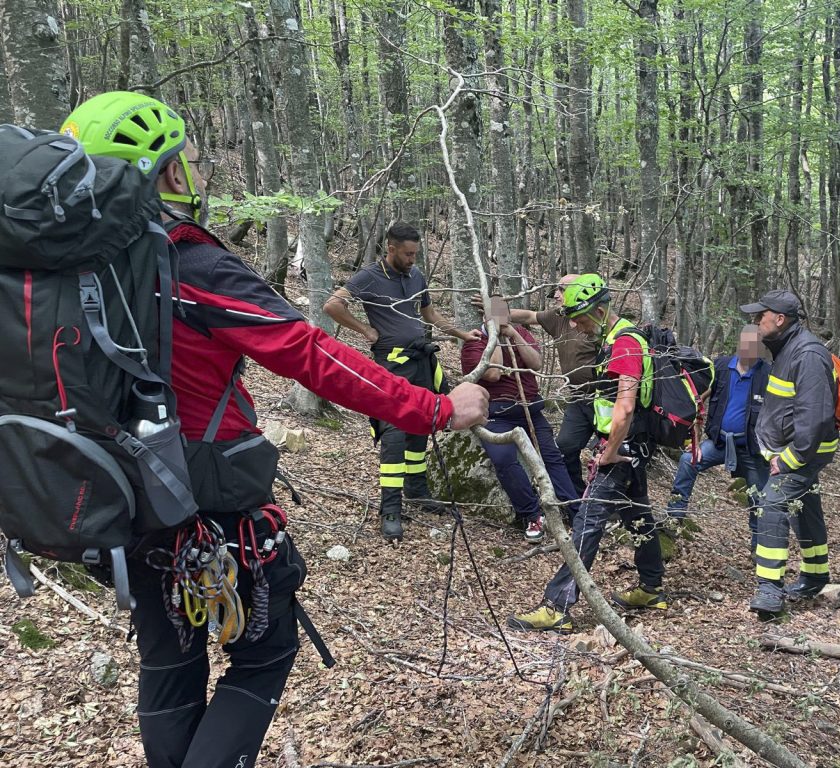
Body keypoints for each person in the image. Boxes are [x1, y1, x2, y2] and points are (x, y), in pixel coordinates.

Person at [61, 91, 489, 768]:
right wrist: (437, 409)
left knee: (168, 663)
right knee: (264, 654)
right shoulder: (190, 264)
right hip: (210, 504)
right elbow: (308, 352)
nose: (196, 172)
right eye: (191, 162)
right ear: (171, 174)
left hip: (112, 501)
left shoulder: (62, 270)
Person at [508, 275, 667, 633]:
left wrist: (608, 452)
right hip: (632, 448)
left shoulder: (624, 344)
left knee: (587, 524)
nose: (575, 325)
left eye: (579, 318)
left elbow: (624, 408)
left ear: (598, 310)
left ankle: (557, 606)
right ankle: (652, 588)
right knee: (638, 516)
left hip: (621, 450)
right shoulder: (612, 337)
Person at [323, 223, 482, 541]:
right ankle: (391, 509)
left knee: (420, 426)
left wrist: (462, 335)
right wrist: (365, 331)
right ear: (391, 248)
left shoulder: (416, 276)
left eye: (415, 254)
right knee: (393, 434)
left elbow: (430, 315)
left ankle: (417, 491)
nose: (412, 259)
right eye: (407, 254)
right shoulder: (370, 276)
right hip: (391, 366)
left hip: (422, 363)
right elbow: (332, 305)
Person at [740, 290, 838, 616]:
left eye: (760, 316)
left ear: (779, 320)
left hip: (802, 453)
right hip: (790, 450)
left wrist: (789, 459)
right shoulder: (784, 349)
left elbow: (815, 417)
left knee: (772, 503)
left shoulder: (807, 355)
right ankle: (815, 575)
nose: (755, 322)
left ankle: (770, 590)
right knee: (805, 507)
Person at [460, 320, 581, 541]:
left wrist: (514, 334)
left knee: (552, 456)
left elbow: (535, 364)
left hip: (530, 410)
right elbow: (494, 373)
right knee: (504, 459)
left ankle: (574, 511)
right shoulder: (474, 343)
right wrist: (496, 337)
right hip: (496, 414)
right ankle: (531, 514)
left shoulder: (521, 333)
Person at [666, 325, 771, 550]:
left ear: (762, 349)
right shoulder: (721, 367)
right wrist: (694, 440)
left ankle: (759, 549)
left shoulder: (768, 375)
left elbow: (780, 413)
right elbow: (698, 401)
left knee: (759, 498)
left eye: (755, 345)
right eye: (745, 343)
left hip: (752, 448)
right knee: (687, 462)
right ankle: (673, 520)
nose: (748, 348)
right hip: (718, 442)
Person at [496, 275, 601, 497]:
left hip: (605, 400)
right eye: (556, 289)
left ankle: (614, 505)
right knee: (564, 447)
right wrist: (493, 308)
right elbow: (529, 315)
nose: (556, 295)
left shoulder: (596, 320)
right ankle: (581, 497)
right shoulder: (558, 318)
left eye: (561, 290)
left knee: (611, 454)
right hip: (578, 400)